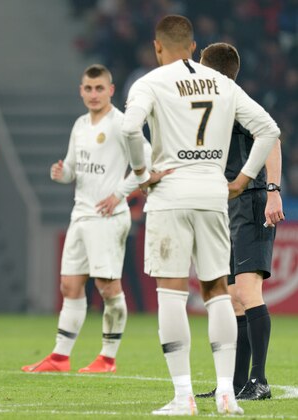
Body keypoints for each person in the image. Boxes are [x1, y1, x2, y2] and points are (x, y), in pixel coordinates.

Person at [122, 15, 280, 416]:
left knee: (172, 294)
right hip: (215, 194)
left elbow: (128, 130)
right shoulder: (223, 84)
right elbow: (269, 129)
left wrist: (143, 175)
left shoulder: (151, 82)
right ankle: (228, 392)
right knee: (218, 294)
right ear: (193, 47)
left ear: (158, 48)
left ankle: (183, 396)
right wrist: (243, 179)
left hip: (171, 193)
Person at [21, 65, 153, 374]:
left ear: (110, 90)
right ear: (81, 91)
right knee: (70, 285)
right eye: (88, 89)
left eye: (99, 88)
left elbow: (146, 163)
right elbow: (71, 168)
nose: (93, 94)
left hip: (107, 217)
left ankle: (107, 358)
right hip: (80, 215)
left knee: (108, 288)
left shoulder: (122, 124)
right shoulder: (80, 125)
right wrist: (61, 173)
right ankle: (60, 357)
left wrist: (119, 193)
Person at [195, 42, 283, 401]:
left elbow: (272, 138)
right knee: (231, 298)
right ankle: (232, 382)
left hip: (250, 201)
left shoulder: (238, 100)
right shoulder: (216, 105)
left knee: (247, 293)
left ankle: (259, 381)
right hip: (226, 206)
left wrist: (273, 191)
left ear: (211, 70)